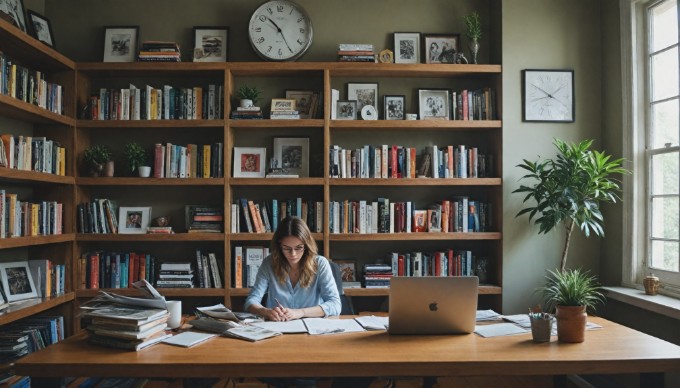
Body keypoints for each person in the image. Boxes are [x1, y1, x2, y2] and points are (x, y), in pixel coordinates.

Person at [245, 216, 341, 321]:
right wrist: (266, 312)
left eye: (299, 247)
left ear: (306, 245)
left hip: (313, 330)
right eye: (286, 248)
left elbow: (335, 305)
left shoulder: (320, 264)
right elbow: (251, 301)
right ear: (279, 245)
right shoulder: (269, 263)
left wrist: (300, 312)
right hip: (279, 327)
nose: (293, 254)